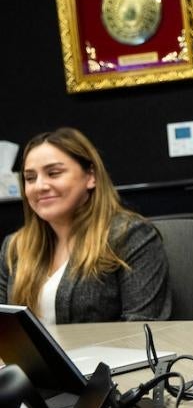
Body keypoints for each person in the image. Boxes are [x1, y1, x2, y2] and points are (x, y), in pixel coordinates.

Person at [0, 128, 171, 323]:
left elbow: (143, 328)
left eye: (54, 173)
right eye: (30, 178)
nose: (40, 186)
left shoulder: (129, 236)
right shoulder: (15, 247)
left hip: (109, 354)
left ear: (91, 176)